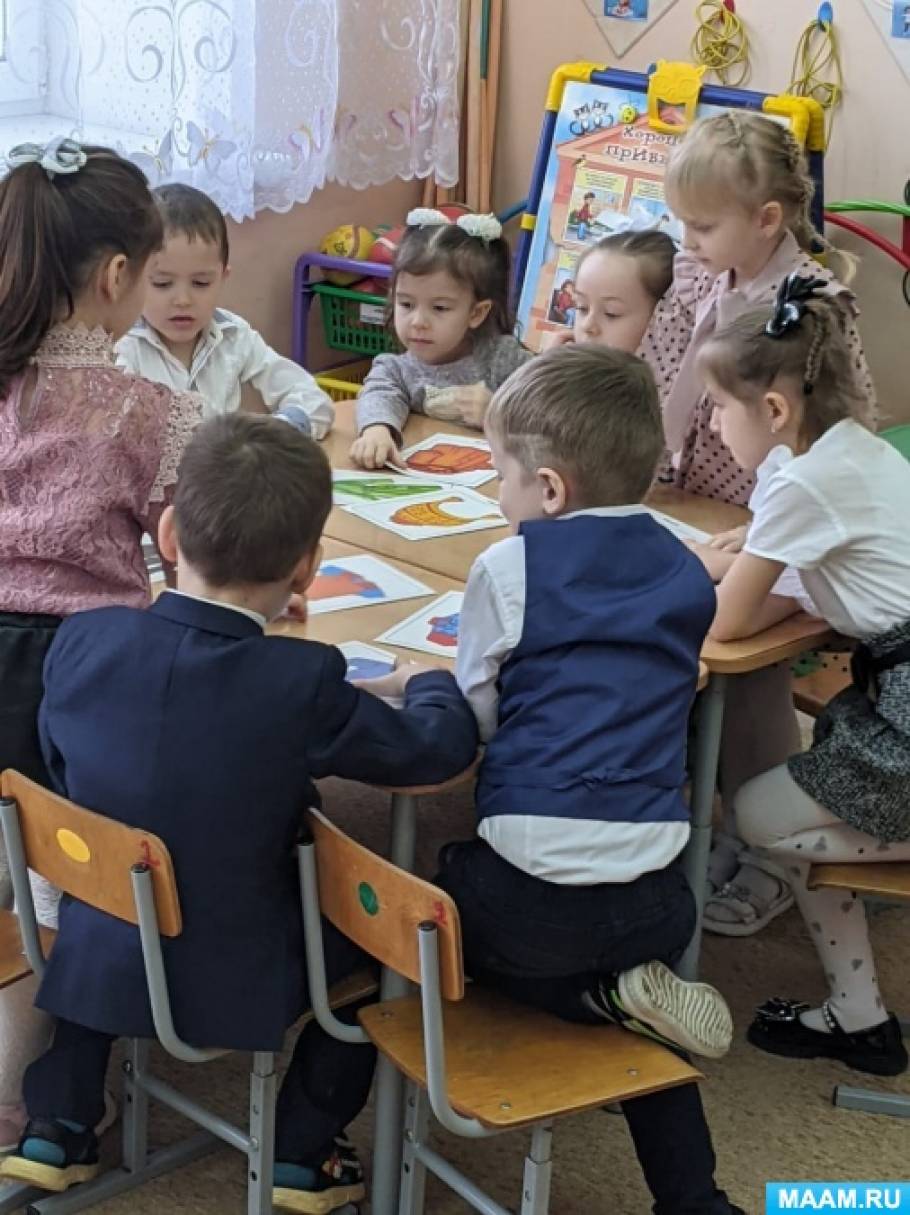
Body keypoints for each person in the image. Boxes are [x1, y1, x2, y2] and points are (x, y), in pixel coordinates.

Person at [0, 414, 479, 1209]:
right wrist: (431, 681)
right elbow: (433, 752)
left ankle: (58, 1122)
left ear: (167, 535)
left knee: (125, 867)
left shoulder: (84, 640)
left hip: (97, 945)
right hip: (235, 977)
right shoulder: (301, 681)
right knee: (382, 943)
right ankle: (303, 1148)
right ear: (308, 569)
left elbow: (59, 761)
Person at [428, 345, 742, 1215]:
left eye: (501, 474)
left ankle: (589, 994)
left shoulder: (508, 567)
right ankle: (696, 1200)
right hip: (661, 899)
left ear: (550, 489)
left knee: (437, 910)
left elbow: (475, 722)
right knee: (637, 1004)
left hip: (528, 903)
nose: (498, 492)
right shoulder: (684, 564)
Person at [0, 137, 206, 1152]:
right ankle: (22, 1090)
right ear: (120, 275)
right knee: (57, 876)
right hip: (83, 679)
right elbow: (192, 556)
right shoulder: (150, 410)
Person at [651, 111, 876, 934]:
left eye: (704, 225)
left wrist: (771, 523)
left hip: (784, 516)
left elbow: (847, 418)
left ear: (768, 218)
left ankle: (772, 851)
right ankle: (732, 820)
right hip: (707, 498)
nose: (689, 239)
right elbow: (667, 375)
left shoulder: (812, 303)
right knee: (699, 662)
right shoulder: (699, 273)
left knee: (748, 673)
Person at [688, 276, 910, 1078]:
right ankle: (859, 1016)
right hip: (894, 695)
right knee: (798, 798)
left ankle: (860, 1010)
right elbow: (788, 576)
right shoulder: (855, 450)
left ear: (775, 410)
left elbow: (724, 625)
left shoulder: (803, 481)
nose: (714, 423)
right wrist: (742, 552)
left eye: (720, 406)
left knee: (759, 811)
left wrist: (707, 562)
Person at [116, 182, 334, 438]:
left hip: (224, 462)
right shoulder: (123, 349)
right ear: (132, 279)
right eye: (162, 284)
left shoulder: (233, 335)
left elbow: (314, 401)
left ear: (222, 277)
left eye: (201, 283)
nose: (183, 300)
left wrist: (274, 432)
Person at [350, 209, 531, 469]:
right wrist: (377, 431)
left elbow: (553, 415)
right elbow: (379, 394)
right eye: (406, 304)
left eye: (439, 308)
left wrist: (499, 412)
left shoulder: (504, 360)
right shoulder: (397, 369)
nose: (417, 321)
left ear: (476, 313)